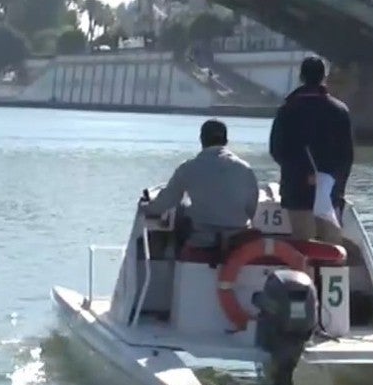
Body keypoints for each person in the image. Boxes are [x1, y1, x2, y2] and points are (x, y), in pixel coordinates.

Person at [269, 55, 354, 244]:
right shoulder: (339, 110)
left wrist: (299, 173)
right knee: (331, 245)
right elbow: (346, 156)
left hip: (296, 189)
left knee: (303, 243)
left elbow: (276, 150)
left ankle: (305, 272)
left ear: (301, 77)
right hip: (330, 190)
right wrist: (336, 183)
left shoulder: (287, 110)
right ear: (324, 77)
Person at [142, 119, 259, 249]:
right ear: (226, 141)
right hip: (237, 240)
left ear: (201, 140)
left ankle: (173, 263)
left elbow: (165, 202)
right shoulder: (245, 169)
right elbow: (252, 209)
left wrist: (145, 207)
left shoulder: (188, 168)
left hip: (202, 240)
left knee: (182, 211)